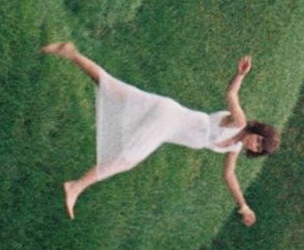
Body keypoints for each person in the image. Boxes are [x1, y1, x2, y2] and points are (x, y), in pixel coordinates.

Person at [41, 42, 279, 224]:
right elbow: (231, 96)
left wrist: (243, 205)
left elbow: (229, 176)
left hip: (165, 114)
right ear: (256, 130)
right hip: (167, 119)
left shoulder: (233, 147)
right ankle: (75, 187)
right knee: (127, 159)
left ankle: (70, 52)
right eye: (258, 139)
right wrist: (239, 75)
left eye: (258, 148)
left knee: (112, 89)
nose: (254, 144)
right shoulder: (238, 122)